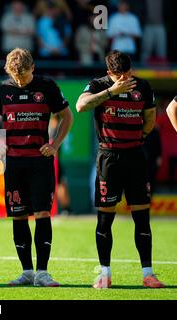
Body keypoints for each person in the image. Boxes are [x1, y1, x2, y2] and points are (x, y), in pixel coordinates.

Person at [76, 50, 165, 289]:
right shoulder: (98, 85)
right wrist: (110, 92)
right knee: (105, 218)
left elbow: (149, 117)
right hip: (109, 157)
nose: (125, 79)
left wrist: (139, 138)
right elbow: (80, 106)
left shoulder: (143, 87)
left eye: (127, 74)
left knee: (142, 218)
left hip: (136, 156)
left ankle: (148, 273)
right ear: (109, 74)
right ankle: (104, 273)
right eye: (119, 76)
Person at [0, 48, 73, 287]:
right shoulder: (3, 89)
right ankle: (26, 272)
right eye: (15, 77)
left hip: (40, 162)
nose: (19, 81)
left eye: (23, 76)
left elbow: (67, 116)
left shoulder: (48, 87)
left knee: (43, 214)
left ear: (32, 67)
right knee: (19, 215)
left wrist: (54, 145)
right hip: (13, 163)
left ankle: (42, 273)